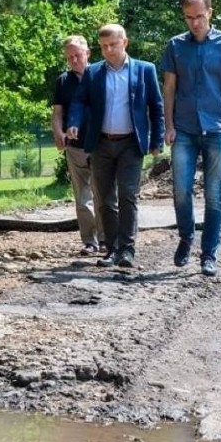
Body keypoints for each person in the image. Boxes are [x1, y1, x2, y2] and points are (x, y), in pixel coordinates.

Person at [161, 0, 221, 277]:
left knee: (214, 195)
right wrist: (169, 125)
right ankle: (187, 237)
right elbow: (170, 88)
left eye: (199, 16)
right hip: (185, 129)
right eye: (189, 18)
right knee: (180, 192)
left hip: (217, 128)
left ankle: (209, 253)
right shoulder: (175, 46)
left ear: (210, 13)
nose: (195, 23)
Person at [67, 24, 164, 268]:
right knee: (105, 199)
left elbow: (156, 106)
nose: (109, 50)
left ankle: (127, 250)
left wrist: (157, 140)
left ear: (125, 43)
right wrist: (74, 123)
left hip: (131, 143)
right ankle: (111, 248)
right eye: (104, 46)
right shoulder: (93, 73)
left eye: (113, 44)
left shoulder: (144, 70)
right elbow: (79, 102)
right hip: (100, 144)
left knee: (128, 195)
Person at [51, 35, 105, 256]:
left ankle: (106, 239)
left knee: (103, 194)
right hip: (75, 147)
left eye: (77, 55)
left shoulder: (102, 74)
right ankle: (89, 240)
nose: (74, 60)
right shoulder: (63, 81)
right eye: (69, 57)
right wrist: (58, 133)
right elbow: (57, 114)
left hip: (102, 144)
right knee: (82, 196)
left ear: (88, 53)